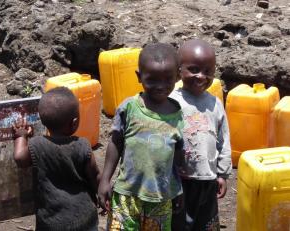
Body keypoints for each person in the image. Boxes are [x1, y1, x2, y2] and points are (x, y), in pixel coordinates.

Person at [98, 43, 184, 230]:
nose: (160, 86)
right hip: (126, 195)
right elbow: (115, 143)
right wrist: (105, 180)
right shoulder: (129, 108)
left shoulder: (178, 115)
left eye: (167, 80)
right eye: (152, 79)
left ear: (178, 76)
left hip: (160, 199)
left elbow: (177, 158)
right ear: (139, 77)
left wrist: (177, 190)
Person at [12, 87, 100, 231]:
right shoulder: (83, 145)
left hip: (52, 221)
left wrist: (20, 136)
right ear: (74, 122)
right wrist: (103, 197)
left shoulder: (37, 145)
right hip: (85, 217)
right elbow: (95, 175)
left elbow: (20, 158)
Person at [169, 39, 232, 231]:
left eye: (208, 71)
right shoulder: (171, 101)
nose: (201, 76)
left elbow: (223, 140)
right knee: (179, 223)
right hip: (180, 179)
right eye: (193, 69)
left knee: (206, 222)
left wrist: (222, 173)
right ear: (179, 70)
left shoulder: (215, 104)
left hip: (208, 178)